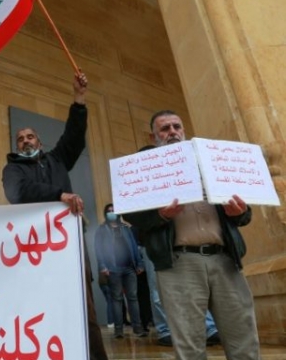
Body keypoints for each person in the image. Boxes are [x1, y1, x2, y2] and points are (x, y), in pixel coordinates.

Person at [127, 110, 260, 359]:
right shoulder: (145, 169)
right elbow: (131, 215)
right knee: (189, 345)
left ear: (184, 131)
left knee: (243, 338)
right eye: (165, 128)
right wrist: (161, 215)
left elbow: (245, 214)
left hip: (225, 260)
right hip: (179, 264)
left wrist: (239, 213)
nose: (172, 132)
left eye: (176, 126)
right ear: (153, 136)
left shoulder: (213, 162)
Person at [2, 72, 109, 360]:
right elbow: (17, 192)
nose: (25, 141)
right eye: (20, 139)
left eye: (30, 136)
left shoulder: (57, 159)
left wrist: (79, 99)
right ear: (16, 146)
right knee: (42, 308)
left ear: (39, 141)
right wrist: (59, 195)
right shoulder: (12, 169)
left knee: (85, 308)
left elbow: (73, 136)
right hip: (35, 249)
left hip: (70, 245)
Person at [134, 144, 222, 347]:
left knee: (196, 289)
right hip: (153, 244)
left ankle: (208, 328)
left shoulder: (175, 179)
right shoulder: (140, 186)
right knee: (158, 291)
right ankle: (165, 330)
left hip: (176, 243)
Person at [95, 204, 147, 339]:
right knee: (117, 299)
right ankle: (118, 331)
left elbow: (133, 246)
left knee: (133, 298)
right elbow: (98, 250)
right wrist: (102, 266)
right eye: (109, 211)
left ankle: (138, 328)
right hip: (113, 269)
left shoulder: (125, 228)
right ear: (105, 214)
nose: (111, 213)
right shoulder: (102, 230)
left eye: (113, 211)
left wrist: (139, 263)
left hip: (129, 268)